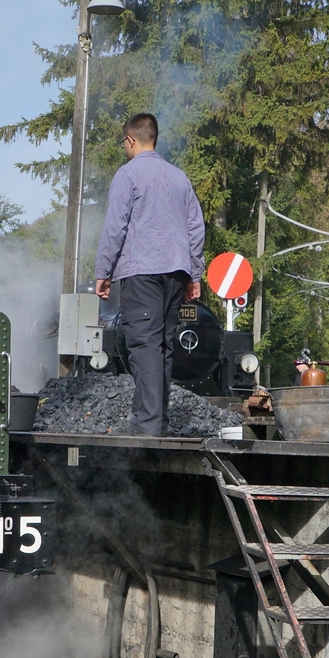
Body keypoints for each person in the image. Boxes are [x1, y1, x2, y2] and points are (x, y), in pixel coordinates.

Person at [93, 113, 204, 436]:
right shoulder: (180, 177)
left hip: (142, 271)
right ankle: (157, 421)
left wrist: (104, 270)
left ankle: (147, 427)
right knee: (164, 346)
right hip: (176, 272)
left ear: (130, 140)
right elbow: (196, 229)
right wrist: (194, 275)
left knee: (143, 345)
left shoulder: (128, 176)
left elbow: (116, 226)